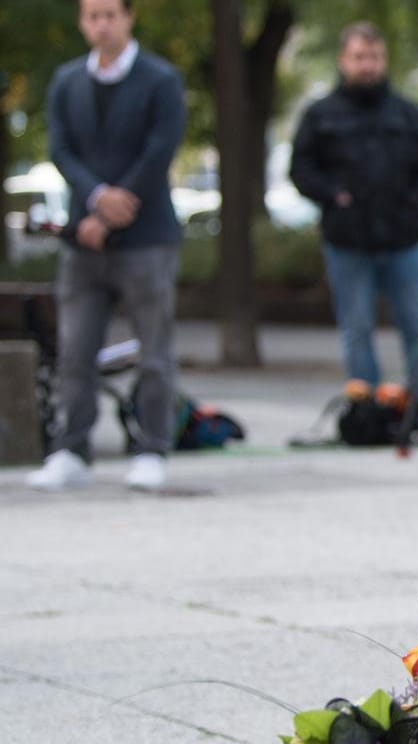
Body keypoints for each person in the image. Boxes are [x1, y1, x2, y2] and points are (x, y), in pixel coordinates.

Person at [28, 0, 186, 492]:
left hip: (147, 236)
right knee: (75, 349)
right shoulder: (67, 81)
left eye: (109, 14)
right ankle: (72, 448)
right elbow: (61, 149)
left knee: (154, 351)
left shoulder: (160, 80)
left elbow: (160, 148)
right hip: (84, 240)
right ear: (81, 21)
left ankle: (152, 449)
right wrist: (95, 200)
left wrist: (119, 202)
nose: (101, 24)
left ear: (128, 17)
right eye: (92, 15)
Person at [290, 22, 418, 441]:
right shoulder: (321, 114)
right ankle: (367, 413)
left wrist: (415, 197)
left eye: (374, 57)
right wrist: (333, 195)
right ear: (344, 60)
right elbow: (302, 169)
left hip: (402, 239)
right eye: (359, 57)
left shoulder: (406, 113)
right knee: (357, 329)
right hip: (348, 241)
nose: (368, 65)